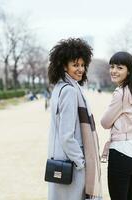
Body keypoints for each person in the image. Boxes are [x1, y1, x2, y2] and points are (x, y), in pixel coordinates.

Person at [47, 38, 102, 200]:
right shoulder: (70, 91)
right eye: (75, 65)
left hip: (60, 158)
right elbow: (66, 135)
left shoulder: (59, 87)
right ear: (64, 65)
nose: (80, 69)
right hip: (71, 164)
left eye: (82, 65)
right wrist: (81, 162)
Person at [100, 52, 132, 200]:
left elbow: (105, 122)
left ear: (129, 71)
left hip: (122, 153)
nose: (114, 71)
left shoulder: (121, 93)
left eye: (120, 68)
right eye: (112, 66)